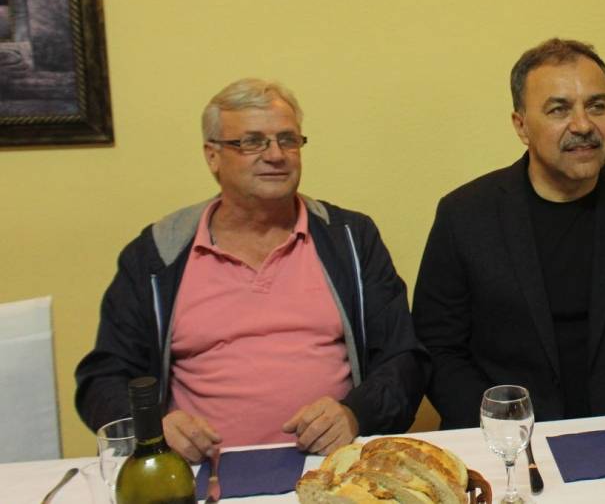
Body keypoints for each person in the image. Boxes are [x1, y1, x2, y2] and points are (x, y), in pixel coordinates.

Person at [75, 78, 428, 461]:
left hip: (331, 466)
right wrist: (153, 428)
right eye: (252, 142)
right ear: (212, 156)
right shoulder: (158, 254)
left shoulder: (349, 239)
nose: (276, 155)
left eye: (287, 140)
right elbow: (102, 378)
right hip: (199, 470)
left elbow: (404, 358)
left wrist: (355, 414)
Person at [412, 38, 605, 429]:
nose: (583, 125)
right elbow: (437, 349)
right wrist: (506, 429)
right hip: (504, 441)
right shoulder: (464, 216)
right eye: (559, 109)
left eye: (597, 106)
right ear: (521, 126)